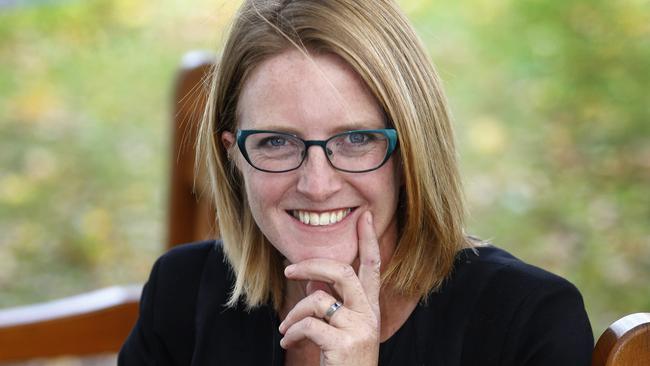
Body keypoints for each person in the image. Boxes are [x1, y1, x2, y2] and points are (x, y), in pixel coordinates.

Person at [119, 0, 594, 365]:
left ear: (411, 148)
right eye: (275, 143)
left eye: (356, 139)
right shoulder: (179, 292)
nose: (318, 184)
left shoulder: (528, 320)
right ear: (233, 156)